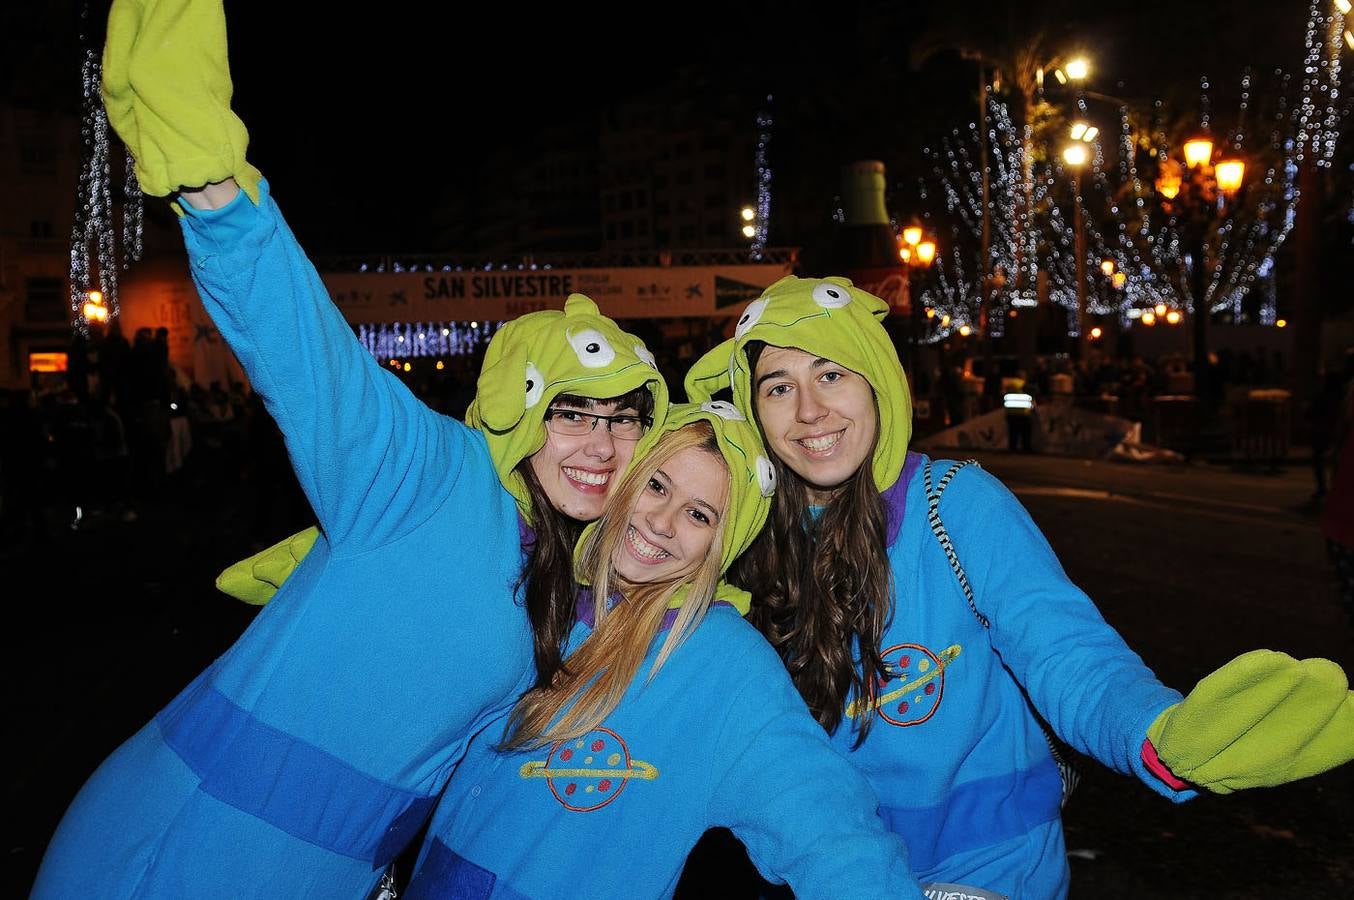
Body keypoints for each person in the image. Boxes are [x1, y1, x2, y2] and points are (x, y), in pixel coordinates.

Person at [31, 3, 667, 897]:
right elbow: (303, 349)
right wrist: (211, 182)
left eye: (625, 417)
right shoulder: (427, 478)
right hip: (181, 856)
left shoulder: (574, 559)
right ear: (520, 412)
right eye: (573, 412)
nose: (603, 444)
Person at [686, 275, 1354, 899]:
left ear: (878, 383)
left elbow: (1065, 651)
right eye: (778, 387)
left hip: (993, 867)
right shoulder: (735, 538)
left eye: (831, 373)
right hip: (829, 875)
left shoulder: (956, 505)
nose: (809, 410)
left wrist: (1157, 731)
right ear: (752, 410)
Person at [218, 403, 933, 900]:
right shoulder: (536, 598)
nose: (659, 521)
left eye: (698, 515)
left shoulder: (722, 665)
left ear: (721, 546)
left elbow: (831, 832)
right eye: (657, 484)